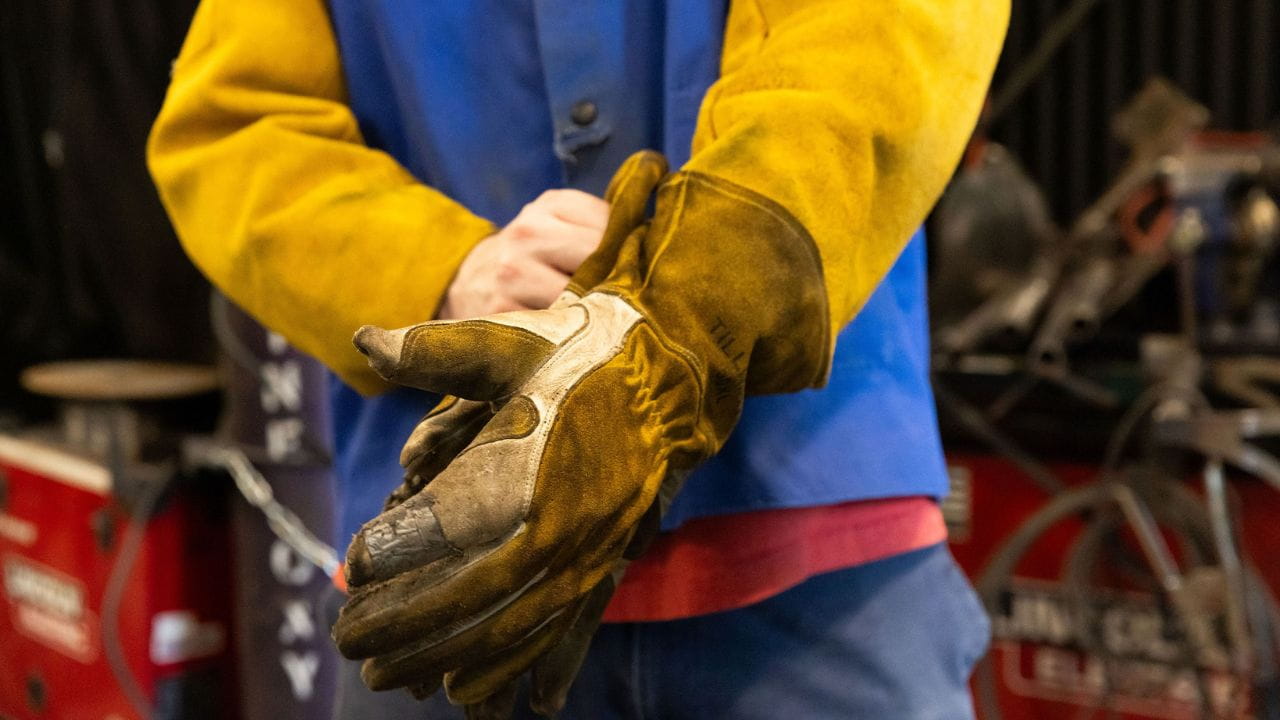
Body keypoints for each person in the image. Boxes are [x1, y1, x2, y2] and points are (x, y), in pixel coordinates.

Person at [148, 1, 1009, 717]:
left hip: (811, 552)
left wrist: (678, 316)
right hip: (451, 590)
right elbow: (232, 127)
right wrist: (446, 271)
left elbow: (882, 37)